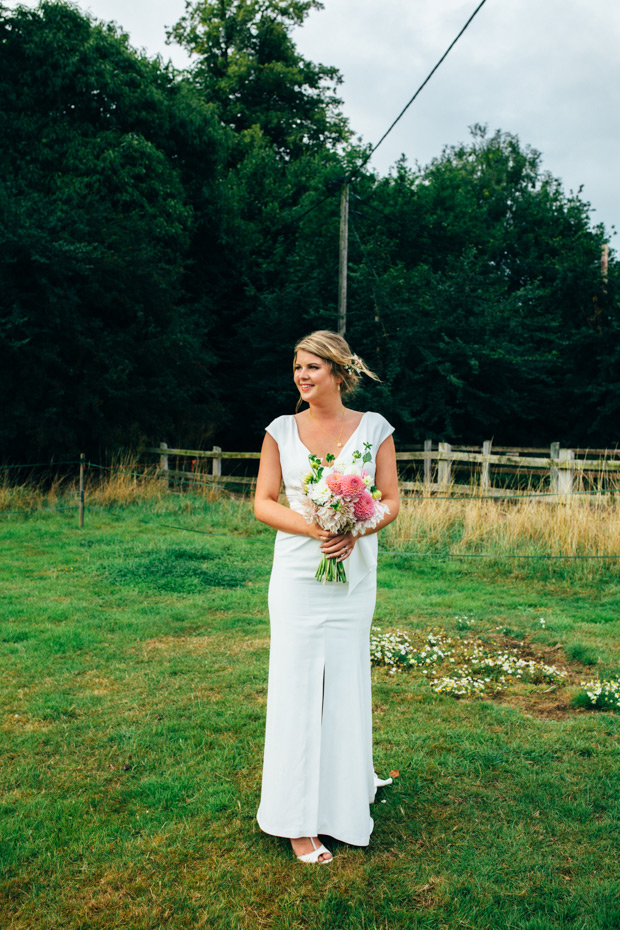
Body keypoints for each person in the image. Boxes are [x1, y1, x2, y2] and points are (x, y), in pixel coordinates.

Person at [254, 330, 400, 864]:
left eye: (313, 366)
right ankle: (296, 820)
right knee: (296, 689)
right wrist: (316, 530)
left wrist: (355, 528)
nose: (301, 375)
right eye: (297, 367)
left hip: (353, 581)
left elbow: (391, 500)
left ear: (340, 373)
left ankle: (344, 798)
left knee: (345, 682)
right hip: (296, 578)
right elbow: (264, 503)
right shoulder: (279, 432)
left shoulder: (375, 430)